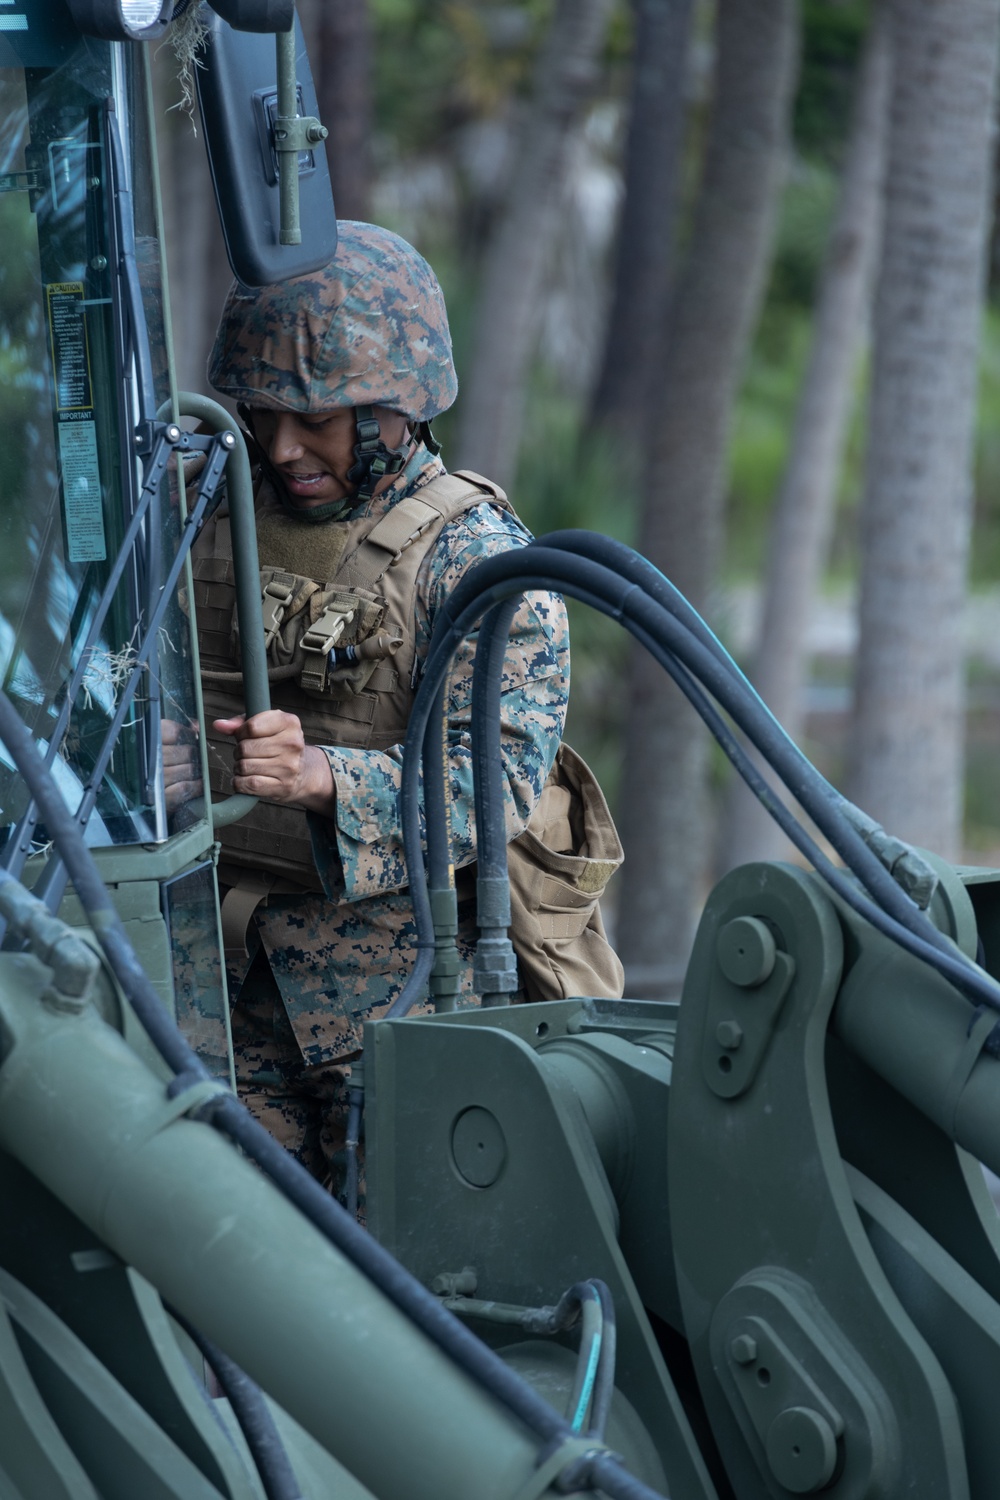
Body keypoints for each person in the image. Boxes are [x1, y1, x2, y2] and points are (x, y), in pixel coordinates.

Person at [188, 221, 623, 1197]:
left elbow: (498, 786)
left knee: (398, 1281)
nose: (284, 446)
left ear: (394, 411)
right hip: (208, 982)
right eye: (261, 414)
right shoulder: (202, 513)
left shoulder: (476, 564)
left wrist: (319, 779)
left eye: (319, 419)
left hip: (393, 999)